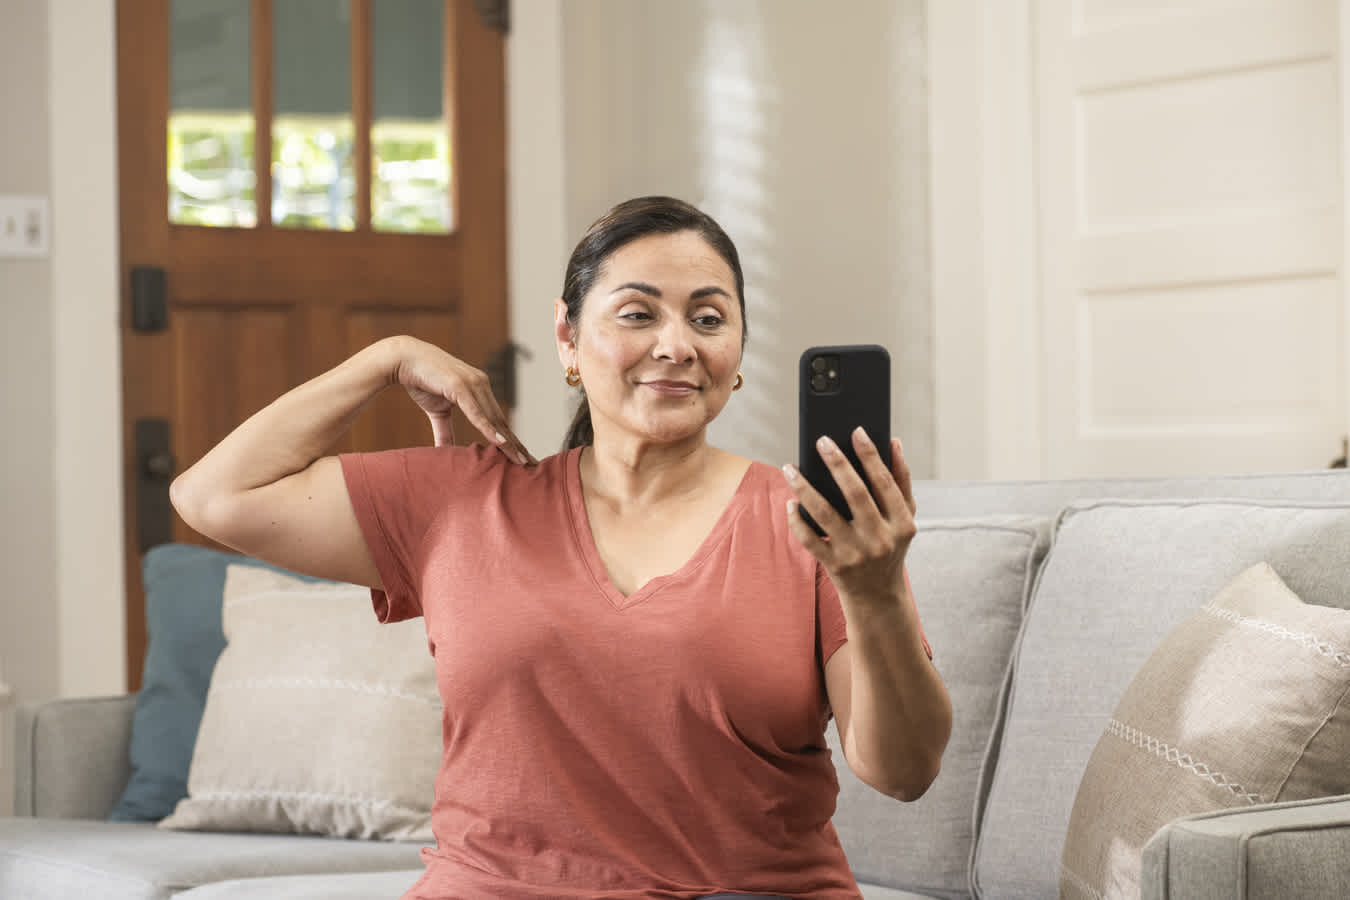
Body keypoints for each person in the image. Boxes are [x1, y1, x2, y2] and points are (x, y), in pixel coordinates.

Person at [170, 196, 952, 900]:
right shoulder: (462, 500)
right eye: (638, 314)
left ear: (739, 352)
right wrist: (386, 358)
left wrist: (875, 589)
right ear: (568, 336)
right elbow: (214, 497)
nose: (677, 345)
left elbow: (904, 772)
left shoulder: (814, 525)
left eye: (709, 319)